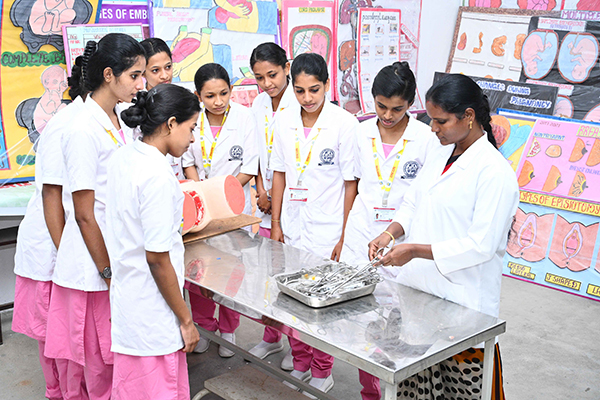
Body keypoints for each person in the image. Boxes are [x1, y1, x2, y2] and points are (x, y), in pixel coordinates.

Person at [368, 73, 518, 400]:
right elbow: (413, 202)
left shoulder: (494, 173)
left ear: (468, 116)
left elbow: (481, 246)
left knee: (461, 391)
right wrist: (390, 233)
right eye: (431, 120)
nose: (433, 128)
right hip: (419, 293)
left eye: (441, 121)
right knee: (414, 386)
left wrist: (413, 250)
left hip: (463, 302)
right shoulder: (440, 153)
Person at [44, 34, 146, 400]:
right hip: (93, 265)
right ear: (108, 75)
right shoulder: (82, 129)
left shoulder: (117, 118)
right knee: (95, 365)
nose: (141, 84)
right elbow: (84, 214)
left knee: (112, 357)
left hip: (113, 252)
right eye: (134, 75)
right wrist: (107, 271)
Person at [337, 62, 439, 400]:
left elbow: (424, 197)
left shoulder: (426, 139)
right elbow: (352, 185)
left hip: (402, 237)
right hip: (361, 232)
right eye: (381, 106)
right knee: (360, 317)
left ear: (411, 103)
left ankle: (399, 390)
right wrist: (343, 235)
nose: (388, 115)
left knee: (400, 319)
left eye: (397, 108)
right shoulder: (360, 132)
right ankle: (369, 392)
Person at [269, 52, 358, 397]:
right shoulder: (283, 120)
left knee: (323, 304)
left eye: (314, 90)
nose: (307, 98)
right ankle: (301, 361)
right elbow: (279, 174)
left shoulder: (344, 124)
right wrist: (276, 223)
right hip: (293, 224)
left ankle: (323, 370)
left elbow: (350, 184)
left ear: (327, 85)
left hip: (327, 227)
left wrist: (344, 235)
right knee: (292, 299)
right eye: (300, 90)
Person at [106, 84, 200, 399]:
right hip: (153, 313)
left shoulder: (124, 156)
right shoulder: (157, 176)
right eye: (191, 128)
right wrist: (186, 320)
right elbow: (157, 259)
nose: (192, 139)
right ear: (171, 124)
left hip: (129, 302)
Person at [11, 56, 88, 400]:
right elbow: (53, 195)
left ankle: (68, 391)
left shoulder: (90, 120)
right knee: (58, 334)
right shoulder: (68, 126)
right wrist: (67, 252)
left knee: (70, 333)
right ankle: (62, 393)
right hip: (51, 246)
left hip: (67, 242)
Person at [182, 62, 259, 357]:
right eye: (210, 96)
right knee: (199, 269)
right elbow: (188, 161)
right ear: (198, 96)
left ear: (231, 90)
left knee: (231, 270)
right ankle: (204, 327)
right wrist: (202, 192)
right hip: (199, 206)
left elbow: (249, 167)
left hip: (233, 207)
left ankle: (228, 329)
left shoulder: (245, 117)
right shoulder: (192, 118)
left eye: (223, 93)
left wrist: (222, 194)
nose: (218, 101)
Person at [246, 42, 299, 369]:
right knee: (268, 275)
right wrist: (261, 189)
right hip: (264, 198)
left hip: (292, 200)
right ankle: (271, 337)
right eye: (259, 77)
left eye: (273, 75)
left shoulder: (300, 101)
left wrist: (275, 200)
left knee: (292, 277)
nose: (267, 83)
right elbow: (255, 151)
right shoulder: (258, 104)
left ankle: (297, 346)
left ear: (287, 68)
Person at [140, 38, 186, 181]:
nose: (165, 75)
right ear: (142, 72)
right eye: (155, 70)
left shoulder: (183, 100)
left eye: (168, 67)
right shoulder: (135, 107)